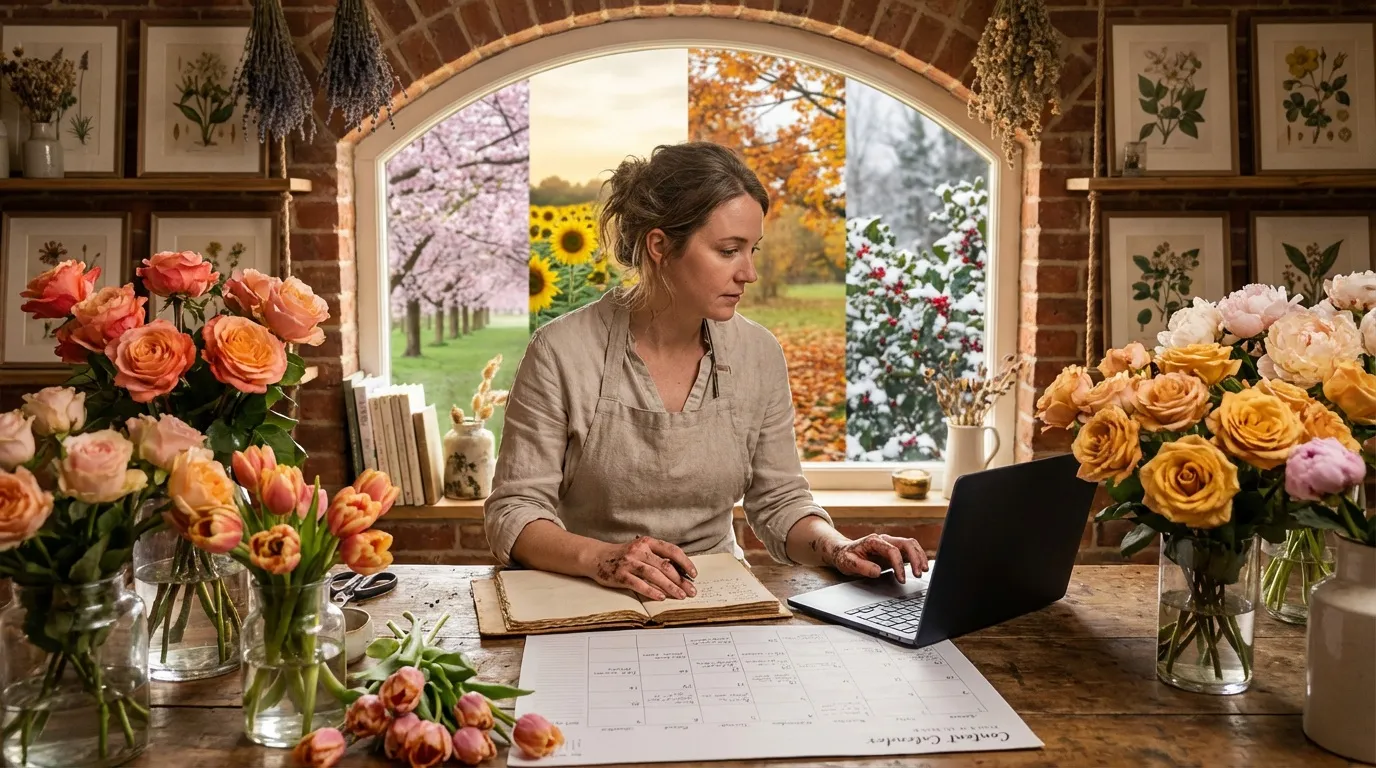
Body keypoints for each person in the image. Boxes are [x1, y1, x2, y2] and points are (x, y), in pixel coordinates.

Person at [484, 141, 928, 602]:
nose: (749, 273)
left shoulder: (759, 353)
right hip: (588, 594)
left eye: (752, 249)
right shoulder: (561, 352)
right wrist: (602, 560)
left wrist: (838, 548)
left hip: (715, 596)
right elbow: (514, 511)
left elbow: (779, 502)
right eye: (728, 250)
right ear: (660, 246)